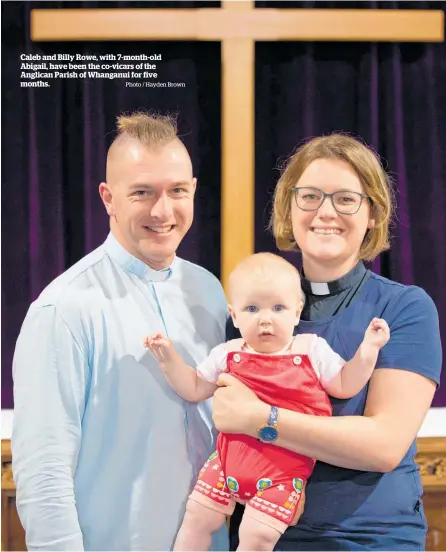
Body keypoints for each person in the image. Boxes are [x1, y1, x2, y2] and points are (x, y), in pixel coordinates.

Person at [11, 112, 229, 551]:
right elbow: (43, 468)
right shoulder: (66, 307)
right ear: (108, 197)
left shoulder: (209, 290)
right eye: (142, 192)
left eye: (177, 191)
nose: (163, 211)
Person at [215, 134, 442, 551]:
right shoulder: (253, 310)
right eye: (310, 196)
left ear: (372, 212)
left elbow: (384, 445)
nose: (325, 212)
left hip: (370, 540)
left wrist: (260, 419)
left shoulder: (403, 308)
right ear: (288, 207)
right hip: (265, 538)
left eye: (345, 199)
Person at [145, 252, 390, 551]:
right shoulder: (227, 353)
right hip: (225, 464)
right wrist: (168, 359)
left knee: (256, 536)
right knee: (195, 519)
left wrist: (369, 349)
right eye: (252, 308)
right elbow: (194, 388)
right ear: (234, 316)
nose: (265, 319)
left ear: (297, 312)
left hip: (281, 475)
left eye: (278, 308)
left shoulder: (310, 349)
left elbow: (345, 383)